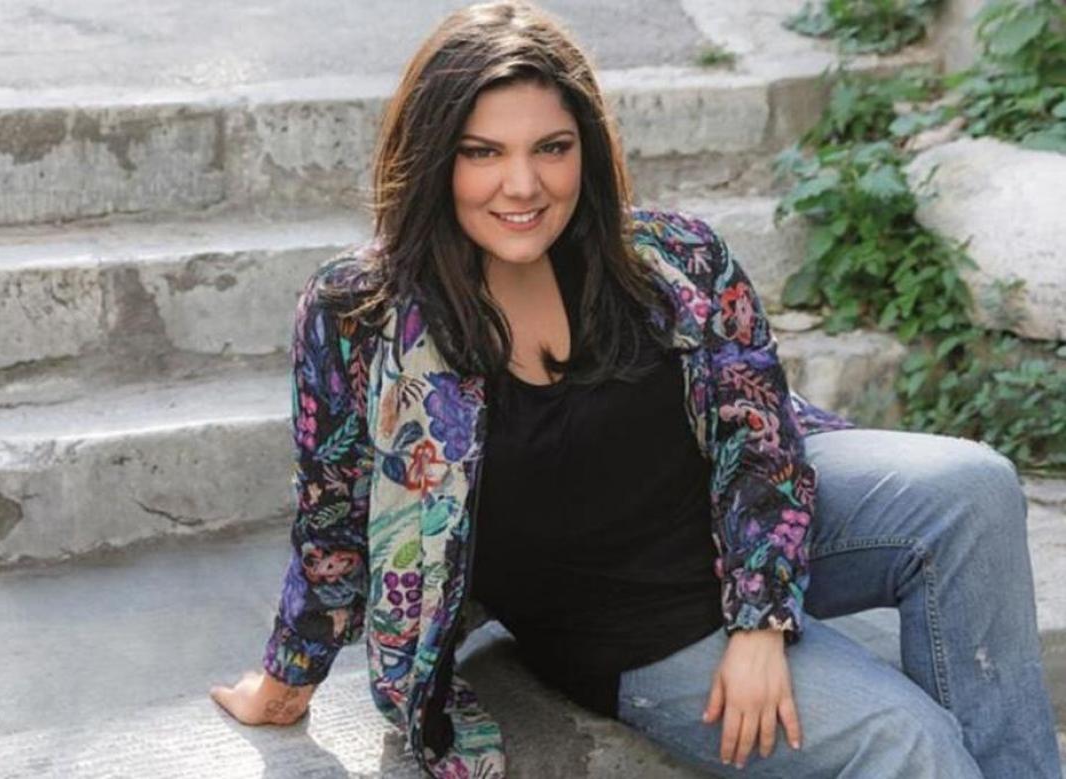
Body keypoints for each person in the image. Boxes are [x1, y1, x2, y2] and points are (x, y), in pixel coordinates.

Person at [209, 2, 1063, 777]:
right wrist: (286, 682)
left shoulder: (671, 257)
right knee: (908, 739)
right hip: (632, 625)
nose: (522, 185)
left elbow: (759, 437)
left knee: (975, 485)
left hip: (742, 530)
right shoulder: (361, 312)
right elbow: (332, 515)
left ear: (587, 147)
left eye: (551, 147)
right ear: (434, 157)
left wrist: (760, 620)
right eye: (483, 153)